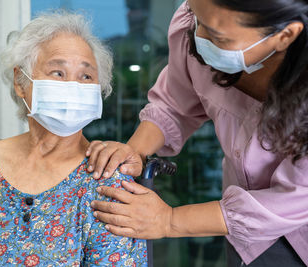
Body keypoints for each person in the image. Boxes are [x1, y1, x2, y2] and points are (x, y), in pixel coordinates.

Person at [86, 0, 308, 266]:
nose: (199, 38)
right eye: (199, 21)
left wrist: (169, 221)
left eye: (218, 37)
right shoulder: (199, 19)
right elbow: (174, 103)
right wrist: (136, 150)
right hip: (243, 237)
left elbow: (295, 197)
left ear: (285, 36)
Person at [0, 11, 147, 267]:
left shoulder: (107, 180)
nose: (73, 86)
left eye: (86, 76)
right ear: (20, 81)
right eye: (58, 73)